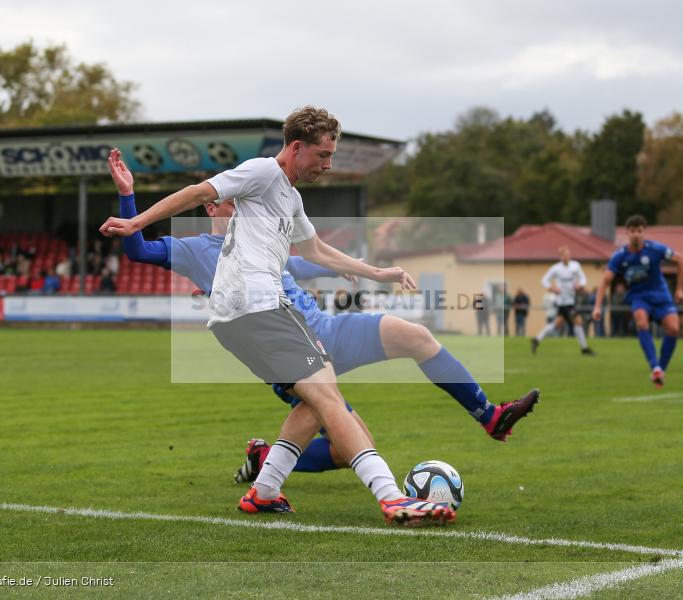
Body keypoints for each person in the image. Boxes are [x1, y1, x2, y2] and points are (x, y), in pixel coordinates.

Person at [101, 107, 458, 526]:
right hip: (260, 307)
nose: (328, 164)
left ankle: (264, 492)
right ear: (296, 147)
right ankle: (393, 498)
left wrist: (376, 272)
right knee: (329, 400)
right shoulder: (264, 171)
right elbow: (198, 192)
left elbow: (316, 251)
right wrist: (136, 220)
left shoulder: (290, 197)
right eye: (323, 155)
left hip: (236, 320)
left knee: (314, 400)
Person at [112, 157, 539, 498]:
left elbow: (306, 260)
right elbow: (138, 250)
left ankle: (490, 416)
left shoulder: (263, 241)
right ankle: (268, 463)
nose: (241, 206)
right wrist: (128, 198)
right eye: (232, 201)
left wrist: (359, 270)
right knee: (345, 447)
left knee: (416, 336)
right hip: (284, 343)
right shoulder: (193, 250)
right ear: (212, 207)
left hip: (324, 329)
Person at [592, 215, 683, 387]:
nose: (636, 234)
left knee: (674, 329)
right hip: (639, 297)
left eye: (639, 231)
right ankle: (655, 366)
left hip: (661, 295)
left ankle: (660, 370)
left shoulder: (655, 249)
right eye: (633, 231)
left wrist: (679, 289)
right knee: (641, 322)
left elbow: (680, 259)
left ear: (644, 232)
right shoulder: (620, 256)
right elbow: (605, 281)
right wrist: (597, 307)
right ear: (627, 233)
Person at [532, 246, 595, 356]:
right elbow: (544, 280)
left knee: (557, 324)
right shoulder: (556, 268)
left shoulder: (575, 266)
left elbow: (583, 278)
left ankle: (537, 339)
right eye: (564, 255)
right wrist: (552, 288)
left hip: (571, 300)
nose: (566, 257)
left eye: (568, 255)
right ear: (560, 257)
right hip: (563, 302)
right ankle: (584, 348)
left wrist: (580, 285)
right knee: (578, 321)